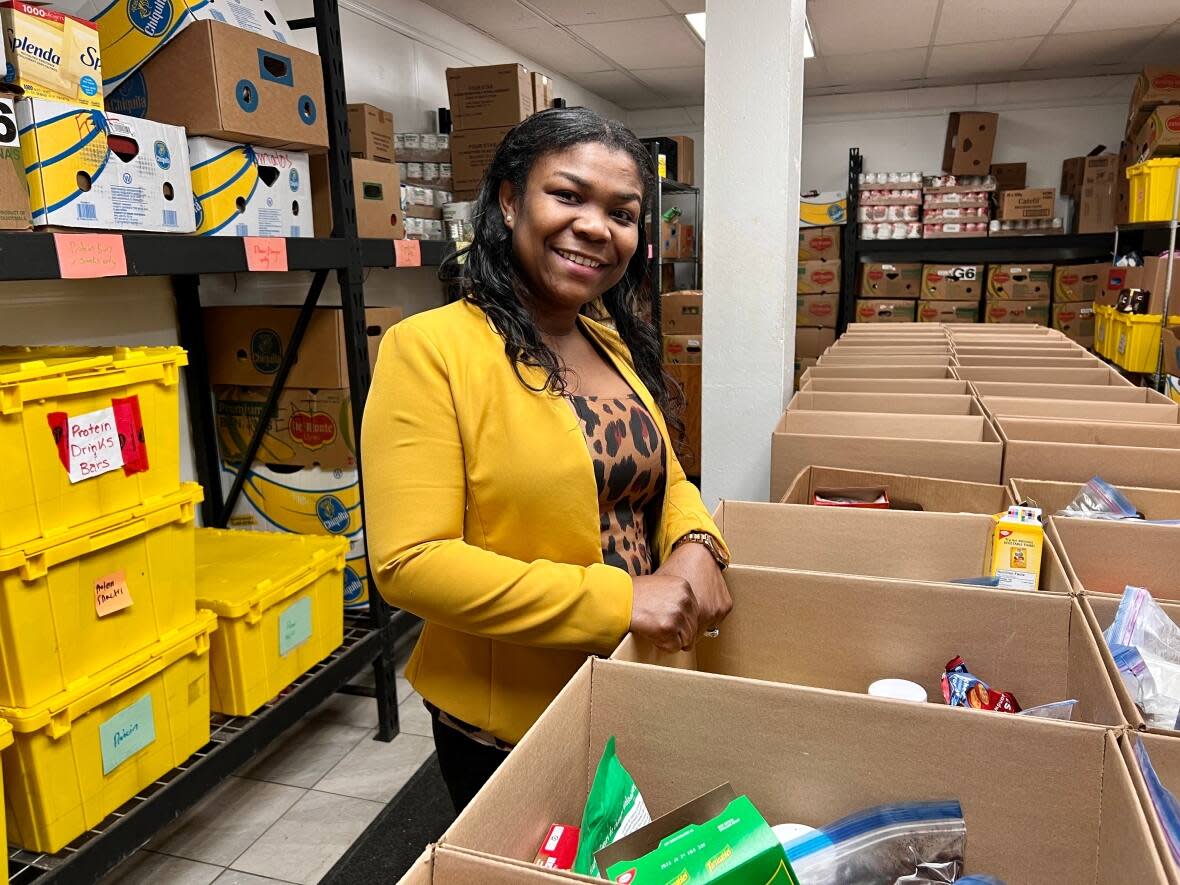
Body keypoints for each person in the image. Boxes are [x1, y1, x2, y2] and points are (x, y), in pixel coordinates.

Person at [360, 107, 731, 813]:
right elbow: (409, 563)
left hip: (634, 677)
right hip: (514, 721)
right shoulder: (430, 348)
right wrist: (622, 599)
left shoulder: (608, 339)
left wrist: (693, 543)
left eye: (622, 213)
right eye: (567, 195)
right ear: (508, 200)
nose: (596, 226)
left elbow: (663, 475)